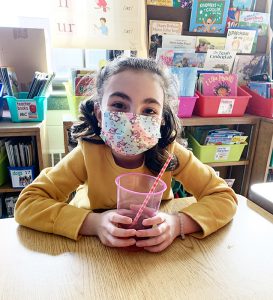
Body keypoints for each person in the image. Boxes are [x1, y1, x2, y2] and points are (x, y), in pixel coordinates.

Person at [15, 57, 237, 253]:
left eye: (149, 110)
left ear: (161, 119)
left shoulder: (170, 153)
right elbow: (28, 203)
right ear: (99, 114)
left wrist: (177, 224)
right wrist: (94, 224)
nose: (133, 120)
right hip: (94, 251)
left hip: (152, 249)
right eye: (119, 105)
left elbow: (224, 197)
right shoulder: (88, 152)